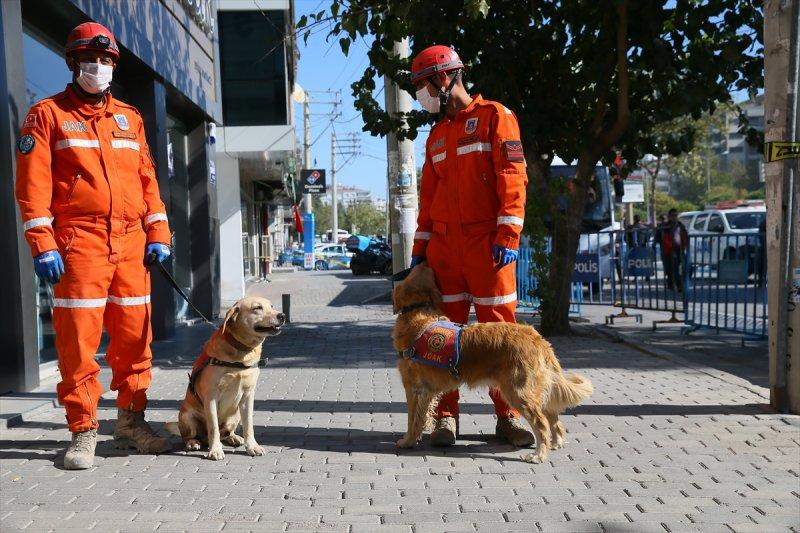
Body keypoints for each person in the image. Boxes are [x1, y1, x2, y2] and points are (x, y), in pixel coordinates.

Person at [15, 22, 173, 469]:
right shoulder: (46, 115)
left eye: (106, 61)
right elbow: (31, 186)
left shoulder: (130, 117)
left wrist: (158, 232)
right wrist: (42, 242)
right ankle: (83, 431)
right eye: (92, 59)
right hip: (79, 243)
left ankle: (130, 425)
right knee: (78, 344)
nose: (99, 67)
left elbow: (148, 182)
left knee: (134, 340)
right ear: (72, 62)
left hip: (130, 244)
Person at [409, 45, 533, 447]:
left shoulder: (496, 117)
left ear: (444, 78)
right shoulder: (436, 136)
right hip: (446, 251)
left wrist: (507, 235)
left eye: (422, 86)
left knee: (499, 333)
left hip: (489, 248)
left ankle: (509, 416)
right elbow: (428, 200)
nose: (420, 95)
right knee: (444, 336)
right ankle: (446, 418)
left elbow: (513, 178)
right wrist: (420, 252)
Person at [654, 209, 688, 292]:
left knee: (678, 268)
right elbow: (657, 237)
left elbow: (685, 235)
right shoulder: (664, 227)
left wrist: (686, 246)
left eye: (676, 215)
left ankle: (676, 284)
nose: (674, 217)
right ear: (669, 216)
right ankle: (674, 284)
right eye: (672, 215)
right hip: (667, 250)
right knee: (670, 268)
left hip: (679, 249)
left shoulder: (680, 225)